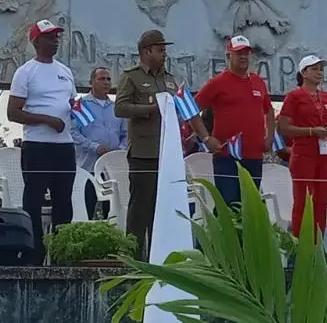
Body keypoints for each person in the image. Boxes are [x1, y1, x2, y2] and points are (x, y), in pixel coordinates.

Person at [114, 29, 209, 259]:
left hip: (168, 154)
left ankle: (160, 257)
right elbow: (120, 108)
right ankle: (134, 258)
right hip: (143, 152)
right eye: (160, 49)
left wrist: (202, 136)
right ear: (147, 52)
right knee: (140, 210)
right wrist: (149, 110)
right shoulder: (132, 76)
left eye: (165, 49)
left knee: (163, 209)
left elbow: (184, 109)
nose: (165, 54)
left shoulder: (169, 79)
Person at [7, 19, 77, 265]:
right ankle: (33, 254)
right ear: (36, 41)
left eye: (57, 36)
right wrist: (47, 119)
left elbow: (70, 103)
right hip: (37, 145)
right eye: (50, 36)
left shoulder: (65, 71)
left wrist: (76, 110)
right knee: (34, 200)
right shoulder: (26, 72)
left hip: (64, 146)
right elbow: (13, 112)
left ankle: (60, 255)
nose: (55, 40)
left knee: (64, 201)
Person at [194, 35, 274, 205]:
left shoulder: (258, 82)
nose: (243, 56)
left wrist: (269, 137)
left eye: (246, 53)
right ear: (229, 55)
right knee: (229, 206)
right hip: (227, 157)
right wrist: (206, 138)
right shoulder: (217, 82)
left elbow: (269, 110)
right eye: (239, 53)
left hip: (254, 156)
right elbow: (191, 111)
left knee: (251, 207)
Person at [277, 55, 327, 237]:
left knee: (321, 203)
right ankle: (300, 247)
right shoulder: (294, 96)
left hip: (326, 155)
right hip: (304, 154)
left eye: (321, 69)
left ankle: (317, 248)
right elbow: (283, 127)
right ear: (303, 72)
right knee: (304, 202)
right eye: (314, 69)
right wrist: (312, 131)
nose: (319, 72)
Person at [70, 67, 127, 219]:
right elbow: (73, 132)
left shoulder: (116, 108)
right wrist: (94, 147)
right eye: (101, 79)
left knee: (114, 210)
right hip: (88, 167)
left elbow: (126, 134)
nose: (106, 82)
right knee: (86, 208)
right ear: (91, 82)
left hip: (112, 169)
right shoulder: (81, 106)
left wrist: (118, 151)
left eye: (108, 79)